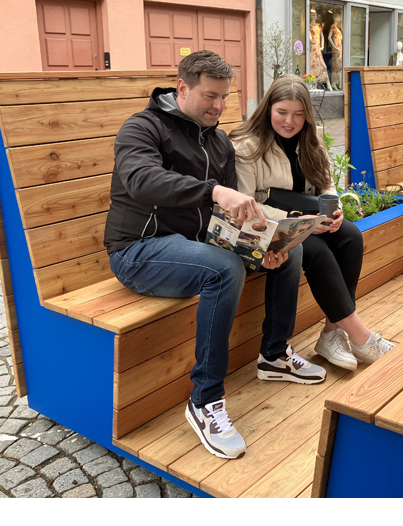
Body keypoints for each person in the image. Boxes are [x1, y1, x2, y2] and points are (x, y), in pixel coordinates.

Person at [103, 51, 325, 461]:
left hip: (197, 244)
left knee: (288, 253)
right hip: (139, 249)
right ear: (182, 88)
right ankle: (205, 399)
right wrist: (213, 191)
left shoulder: (218, 140)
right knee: (222, 269)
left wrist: (262, 248)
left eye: (224, 97)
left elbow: (227, 218)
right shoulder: (143, 127)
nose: (219, 107)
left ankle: (274, 355)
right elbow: (140, 180)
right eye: (210, 96)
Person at [231, 75, 395, 372]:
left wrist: (334, 209)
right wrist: (296, 220)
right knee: (315, 249)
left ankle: (332, 332)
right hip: (265, 226)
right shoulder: (246, 146)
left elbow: (327, 184)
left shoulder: (311, 138)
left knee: (350, 236)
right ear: (268, 108)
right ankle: (361, 336)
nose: (290, 121)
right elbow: (244, 205)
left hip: (307, 217)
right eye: (282, 112)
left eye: (298, 113)